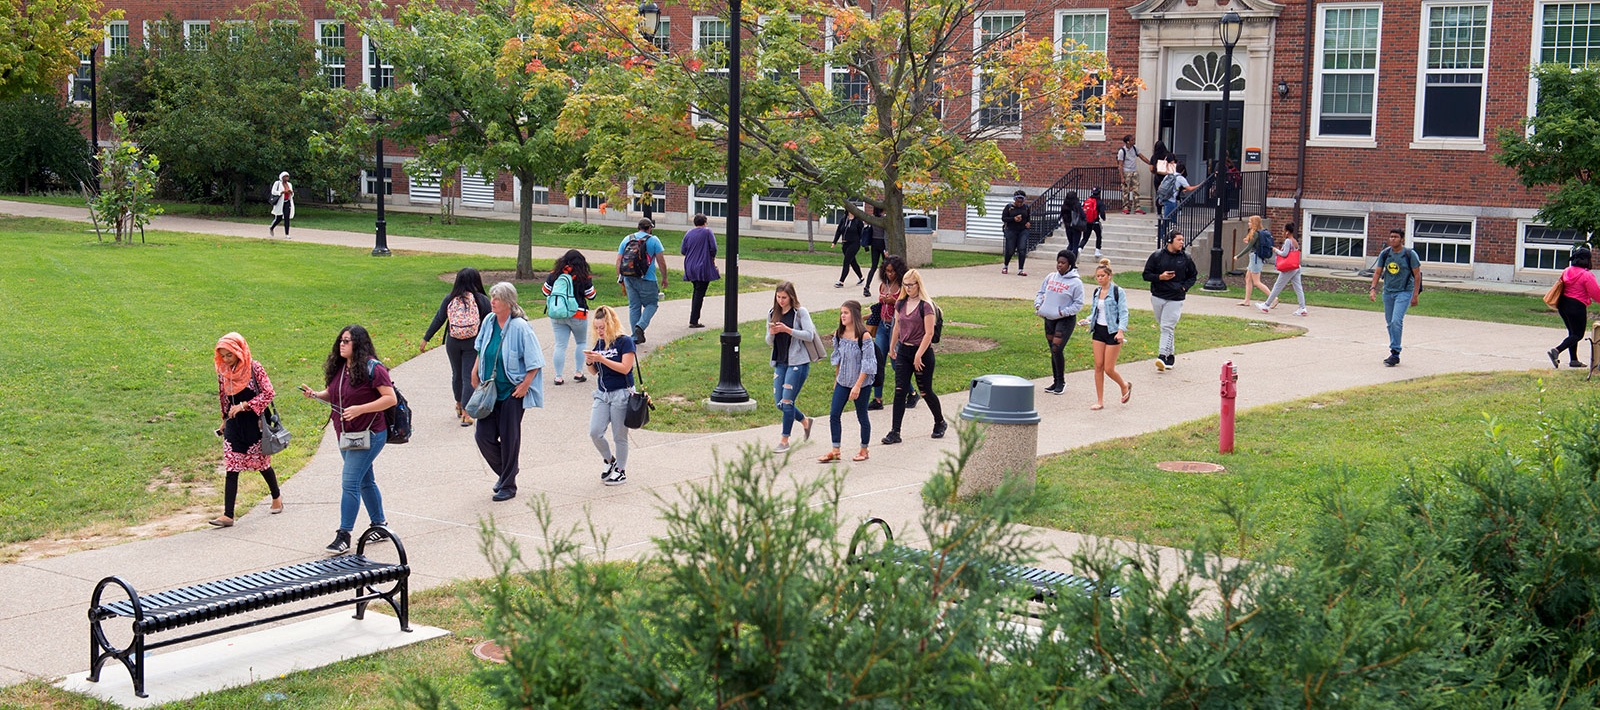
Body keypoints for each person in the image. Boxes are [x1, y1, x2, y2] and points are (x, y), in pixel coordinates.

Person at [300, 325, 395, 555]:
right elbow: (334, 393)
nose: (341, 345)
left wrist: (360, 410)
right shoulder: (341, 367)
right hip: (347, 435)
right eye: (341, 340)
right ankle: (379, 525)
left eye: (347, 341)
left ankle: (344, 535)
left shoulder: (374, 368)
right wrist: (316, 395)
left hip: (371, 433)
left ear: (358, 344)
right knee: (364, 480)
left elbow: (389, 398)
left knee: (350, 481)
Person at [472, 282, 545, 501]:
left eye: (497, 298)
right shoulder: (488, 321)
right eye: (492, 297)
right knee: (482, 436)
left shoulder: (520, 327)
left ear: (508, 302)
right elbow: (480, 347)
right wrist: (474, 370)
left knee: (510, 436)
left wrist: (525, 384)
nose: (492, 302)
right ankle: (508, 472)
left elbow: (535, 359)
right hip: (489, 391)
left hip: (512, 392)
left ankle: (508, 485)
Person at [210, 332, 282, 528]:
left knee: (262, 464)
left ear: (239, 352)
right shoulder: (223, 370)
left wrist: (244, 406)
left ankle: (276, 497)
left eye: (229, 355)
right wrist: (224, 419)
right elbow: (223, 397)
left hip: (255, 421)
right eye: (222, 355)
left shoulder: (254, 367)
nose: (226, 359)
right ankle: (228, 515)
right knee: (232, 466)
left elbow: (269, 392)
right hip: (234, 424)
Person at [421, 267, 492, 426]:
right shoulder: (482, 300)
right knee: (469, 376)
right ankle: (467, 414)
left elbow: (439, 319)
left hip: (453, 342)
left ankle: (459, 404)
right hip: (472, 342)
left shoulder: (449, 299)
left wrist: (426, 338)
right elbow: (490, 323)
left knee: (456, 374)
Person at [883, 269, 946, 444]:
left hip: (922, 352)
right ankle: (895, 432)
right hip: (904, 351)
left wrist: (919, 355)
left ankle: (940, 422)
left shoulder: (926, 306)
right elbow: (896, 326)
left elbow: (929, 333)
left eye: (911, 284)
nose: (908, 288)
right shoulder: (901, 304)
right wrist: (892, 347)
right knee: (899, 391)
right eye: (905, 284)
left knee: (925, 391)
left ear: (918, 284)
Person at [818, 300, 877, 464]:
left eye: (846, 313)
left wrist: (857, 386)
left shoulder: (864, 336)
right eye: (841, 313)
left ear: (855, 315)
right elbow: (838, 358)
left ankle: (864, 449)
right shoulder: (839, 334)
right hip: (843, 381)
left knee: (862, 416)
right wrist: (837, 379)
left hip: (861, 384)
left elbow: (868, 363)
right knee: (834, 414)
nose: (842, 316)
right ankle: (835, 450)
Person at [584, 305, 636, 486]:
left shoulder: (625, 341)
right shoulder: (598, 344)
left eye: (602, 327)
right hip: (603, 393)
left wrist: (602, 359)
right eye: (597, 328)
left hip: (621, 393)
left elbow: (625, 368)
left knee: (619, 436)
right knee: (595, 431)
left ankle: (621, 469)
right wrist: (590, 361)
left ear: (611, 325)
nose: (599, 331)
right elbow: (593, 372)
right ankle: (609, 460)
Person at [765, 282, 817, 453]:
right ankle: (805, 422)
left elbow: (809, 335)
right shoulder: (772, 313)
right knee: (780, 403)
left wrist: (788, 330)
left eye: (784, 297)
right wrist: (771, 334)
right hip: (780, 362)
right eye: (778, 297)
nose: (781, 301)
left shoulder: (800, 313)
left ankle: (784, 440)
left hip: (797, 363)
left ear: (791, 297)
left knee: (787, 402)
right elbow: (768, 341)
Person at [1141, 231, 1198, 372]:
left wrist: (1184, 287)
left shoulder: (1186, 258)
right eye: (1179, 240)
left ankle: (1162, 356)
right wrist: (1160, 277)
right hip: (1158, 296)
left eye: (1182, 240)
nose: (1181, 242)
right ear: (1170, 241)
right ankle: (1170, 354)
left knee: (1167, 327)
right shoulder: (1157, 256)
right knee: (1165, 327)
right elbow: (1146, 275)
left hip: (1176, 298)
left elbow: (1193, 275)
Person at [867, 254, 916, 411]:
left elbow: (908, 307)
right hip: (882, 326)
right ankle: (878, 399)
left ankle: (912, 392)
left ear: (899, 271)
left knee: (896, 363)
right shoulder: (883, 285)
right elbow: (880, 307)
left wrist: (893, 301)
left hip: (897, 328)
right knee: (877, 361)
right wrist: (862, 317)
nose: (890, 274)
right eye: (887, 271)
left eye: (892, 271)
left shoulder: (903, 287)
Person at [1034, 249, 1085, 396]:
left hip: (1065, 320)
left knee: (1057, 348)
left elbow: (1078, 303)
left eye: (1063, 263)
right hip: (1049, 319)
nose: (1059, 265)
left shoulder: (1076, 283)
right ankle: (1055, 381)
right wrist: (1038, 305)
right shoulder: (1050, 277)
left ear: (1070, 265)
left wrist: (1063, 312)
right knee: (1052, 350)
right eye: (1058, 262)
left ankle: (1061, 381)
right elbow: (1041, 292)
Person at [542, 250, 598, 385]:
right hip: (577, 313)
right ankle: (578, 372)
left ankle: (558, 376)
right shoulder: (583, 276)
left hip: (557, 313)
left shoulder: (554, 274)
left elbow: (545, 291)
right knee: (580, 343)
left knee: (560, 345)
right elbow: (591, 295)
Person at [1368, 229, 1422, 367]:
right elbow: (1378, 272)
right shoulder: (1385, 254)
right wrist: (1373, 289)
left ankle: (1395, 352)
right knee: (1390, 323)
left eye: (1396, 237)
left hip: (1404, 292)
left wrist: (1415, 295)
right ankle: (1394, 349)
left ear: (1402, 239)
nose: (1393, 239)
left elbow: (1417, 275)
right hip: (1388, 292)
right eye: (1391, 237)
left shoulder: (1410, 254)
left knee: (1396, 321)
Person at [1083, 259, 1132, 409]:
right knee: (1098, 366)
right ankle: (1100, 401)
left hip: (1113, 331)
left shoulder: (1118, 292)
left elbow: (1123, 313)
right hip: (1099, 330)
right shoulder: (1097, 292)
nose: (1099, 278)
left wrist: (1121, 331)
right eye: (1097, 276)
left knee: (1108, 368)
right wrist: (1087, 319)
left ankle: (1124, 385)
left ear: (1109, 276)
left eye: (1102, 275)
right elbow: (1095, 311)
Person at [616, 218, 668, 344]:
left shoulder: (627, 239)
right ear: (649, 228)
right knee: (652, 304)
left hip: (629, 277)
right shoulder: (654, 240)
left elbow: (619, 260)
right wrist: (664, 277)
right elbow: (661, 261)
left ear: (638, 227)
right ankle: (640, 326)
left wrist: (620, 278)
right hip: (647, 278)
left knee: (634, 306)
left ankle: (635, 336)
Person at [1549, 247, 1600, 369]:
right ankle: (1556, 350)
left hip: (1563, 304)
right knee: (1578, 334)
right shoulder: (1587, 275)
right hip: (1576, 306)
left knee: (1572, 332)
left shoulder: (1567, 271)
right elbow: (1596, 293)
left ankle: (1574, 360)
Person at [680, 213, 721, 328]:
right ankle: (694, 320)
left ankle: (694, 318)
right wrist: (712, 258)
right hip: (702, 266)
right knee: (699, 293)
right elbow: (713, 248)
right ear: (705, 222)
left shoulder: (688, 233)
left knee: (697, 291)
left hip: (690, 266)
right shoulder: (707, 232)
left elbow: (683, 250)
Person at [1259, 221, 1308, 316]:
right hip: (1296, 266)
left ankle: (1267, 305)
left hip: (1288, 268)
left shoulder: (1288, 241)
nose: (1282, 232)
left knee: (1277, 286)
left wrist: (1275, 250)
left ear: (1287, 232)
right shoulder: (1295, 241)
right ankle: (1302, 307)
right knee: (1298, 288)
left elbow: (1284, 254)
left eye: (1283, 230)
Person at [1234, 215, 1270, 306]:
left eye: (1250, 222)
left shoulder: (1255, 233)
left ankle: (1273, 298)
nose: (1248, 223)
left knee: (1257, 282)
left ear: (1254, 223)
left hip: (1255, 259)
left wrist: (1238, 256)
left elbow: (1249, 247)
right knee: (1248, 278)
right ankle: (1247, 300)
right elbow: (1253, 244)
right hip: (1254, 258)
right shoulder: (1257, 233)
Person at [1001, 190, 1032, 276]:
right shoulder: (1009, 207)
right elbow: (1004, 218)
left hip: (1023, 230)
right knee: (1010, 250)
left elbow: (1028, 217)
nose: (1019, 203)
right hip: (1011, 230)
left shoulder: (1026, 207)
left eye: (1021, 202)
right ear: (1015, 200)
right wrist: (1013, 219)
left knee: (1022, 248)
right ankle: (1005, 266)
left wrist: (1028, 223)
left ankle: (1020, 269)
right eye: (1018, 201)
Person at [1115, 135, 1149, 215]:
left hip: (1134, 171)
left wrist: (1150, 162)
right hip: (1126, 172)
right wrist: (1122, 177)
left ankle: (1137, 208)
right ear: (1128, 142)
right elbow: (1120, 165)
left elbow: (1141, 156)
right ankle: (1125, 207)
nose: (1134, 141)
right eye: (1132, 140)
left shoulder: (1134, 148)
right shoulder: (1122, 151)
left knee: (1136, 190)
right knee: (1125, 191)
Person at [833, 209, 866, 288]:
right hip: (845, 243)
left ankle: (841, 281)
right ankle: (861, 277)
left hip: (854, 243)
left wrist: (865, 246)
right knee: (852, 261)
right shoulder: (844, 220)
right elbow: (839, 231)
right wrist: (834, 241)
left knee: (846, 261)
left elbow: (862, 234)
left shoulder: (858, 221)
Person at [861, 207, 888, 297]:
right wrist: (886, 249)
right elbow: (885, 235)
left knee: (873, 266)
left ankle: (867, 287)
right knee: (886, 267)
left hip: (874, 242)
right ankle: (887, 287)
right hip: (882, 242)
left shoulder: (872, 218)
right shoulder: (884, 219)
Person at [1059, 190, 1087, 255]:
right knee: (1075, 245)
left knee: (1070, 244)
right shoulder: (1077, 205)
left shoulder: (1064, 206)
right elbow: (1083, 215)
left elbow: (1061, 216)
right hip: (1076, 226)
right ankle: (1073, 260)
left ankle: (1066, 257)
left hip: (1067, 226)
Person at [269, 171, 294, 238]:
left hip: (287, 202)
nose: (286, 178)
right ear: (282, 177)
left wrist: (291, 192)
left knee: (287, 217)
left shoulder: (289, 184)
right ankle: (272, 227)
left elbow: (292, 194)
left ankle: (287, 234)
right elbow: (273, 192)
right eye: (285, 176)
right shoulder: (277, 183)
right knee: (279, 218)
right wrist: (282, 192)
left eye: (287, 176)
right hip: (280, 202)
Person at [1083, 187, 1106, 257]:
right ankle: (1097, 251)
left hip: (1087, 222)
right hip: (1095, 222)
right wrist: (1103, 218)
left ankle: (1080, 249)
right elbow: (1102, 213)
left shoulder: (1087, 200)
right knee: (1098, 236)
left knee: (1085, 238)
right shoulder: (1100, 202)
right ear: (1099, 193)